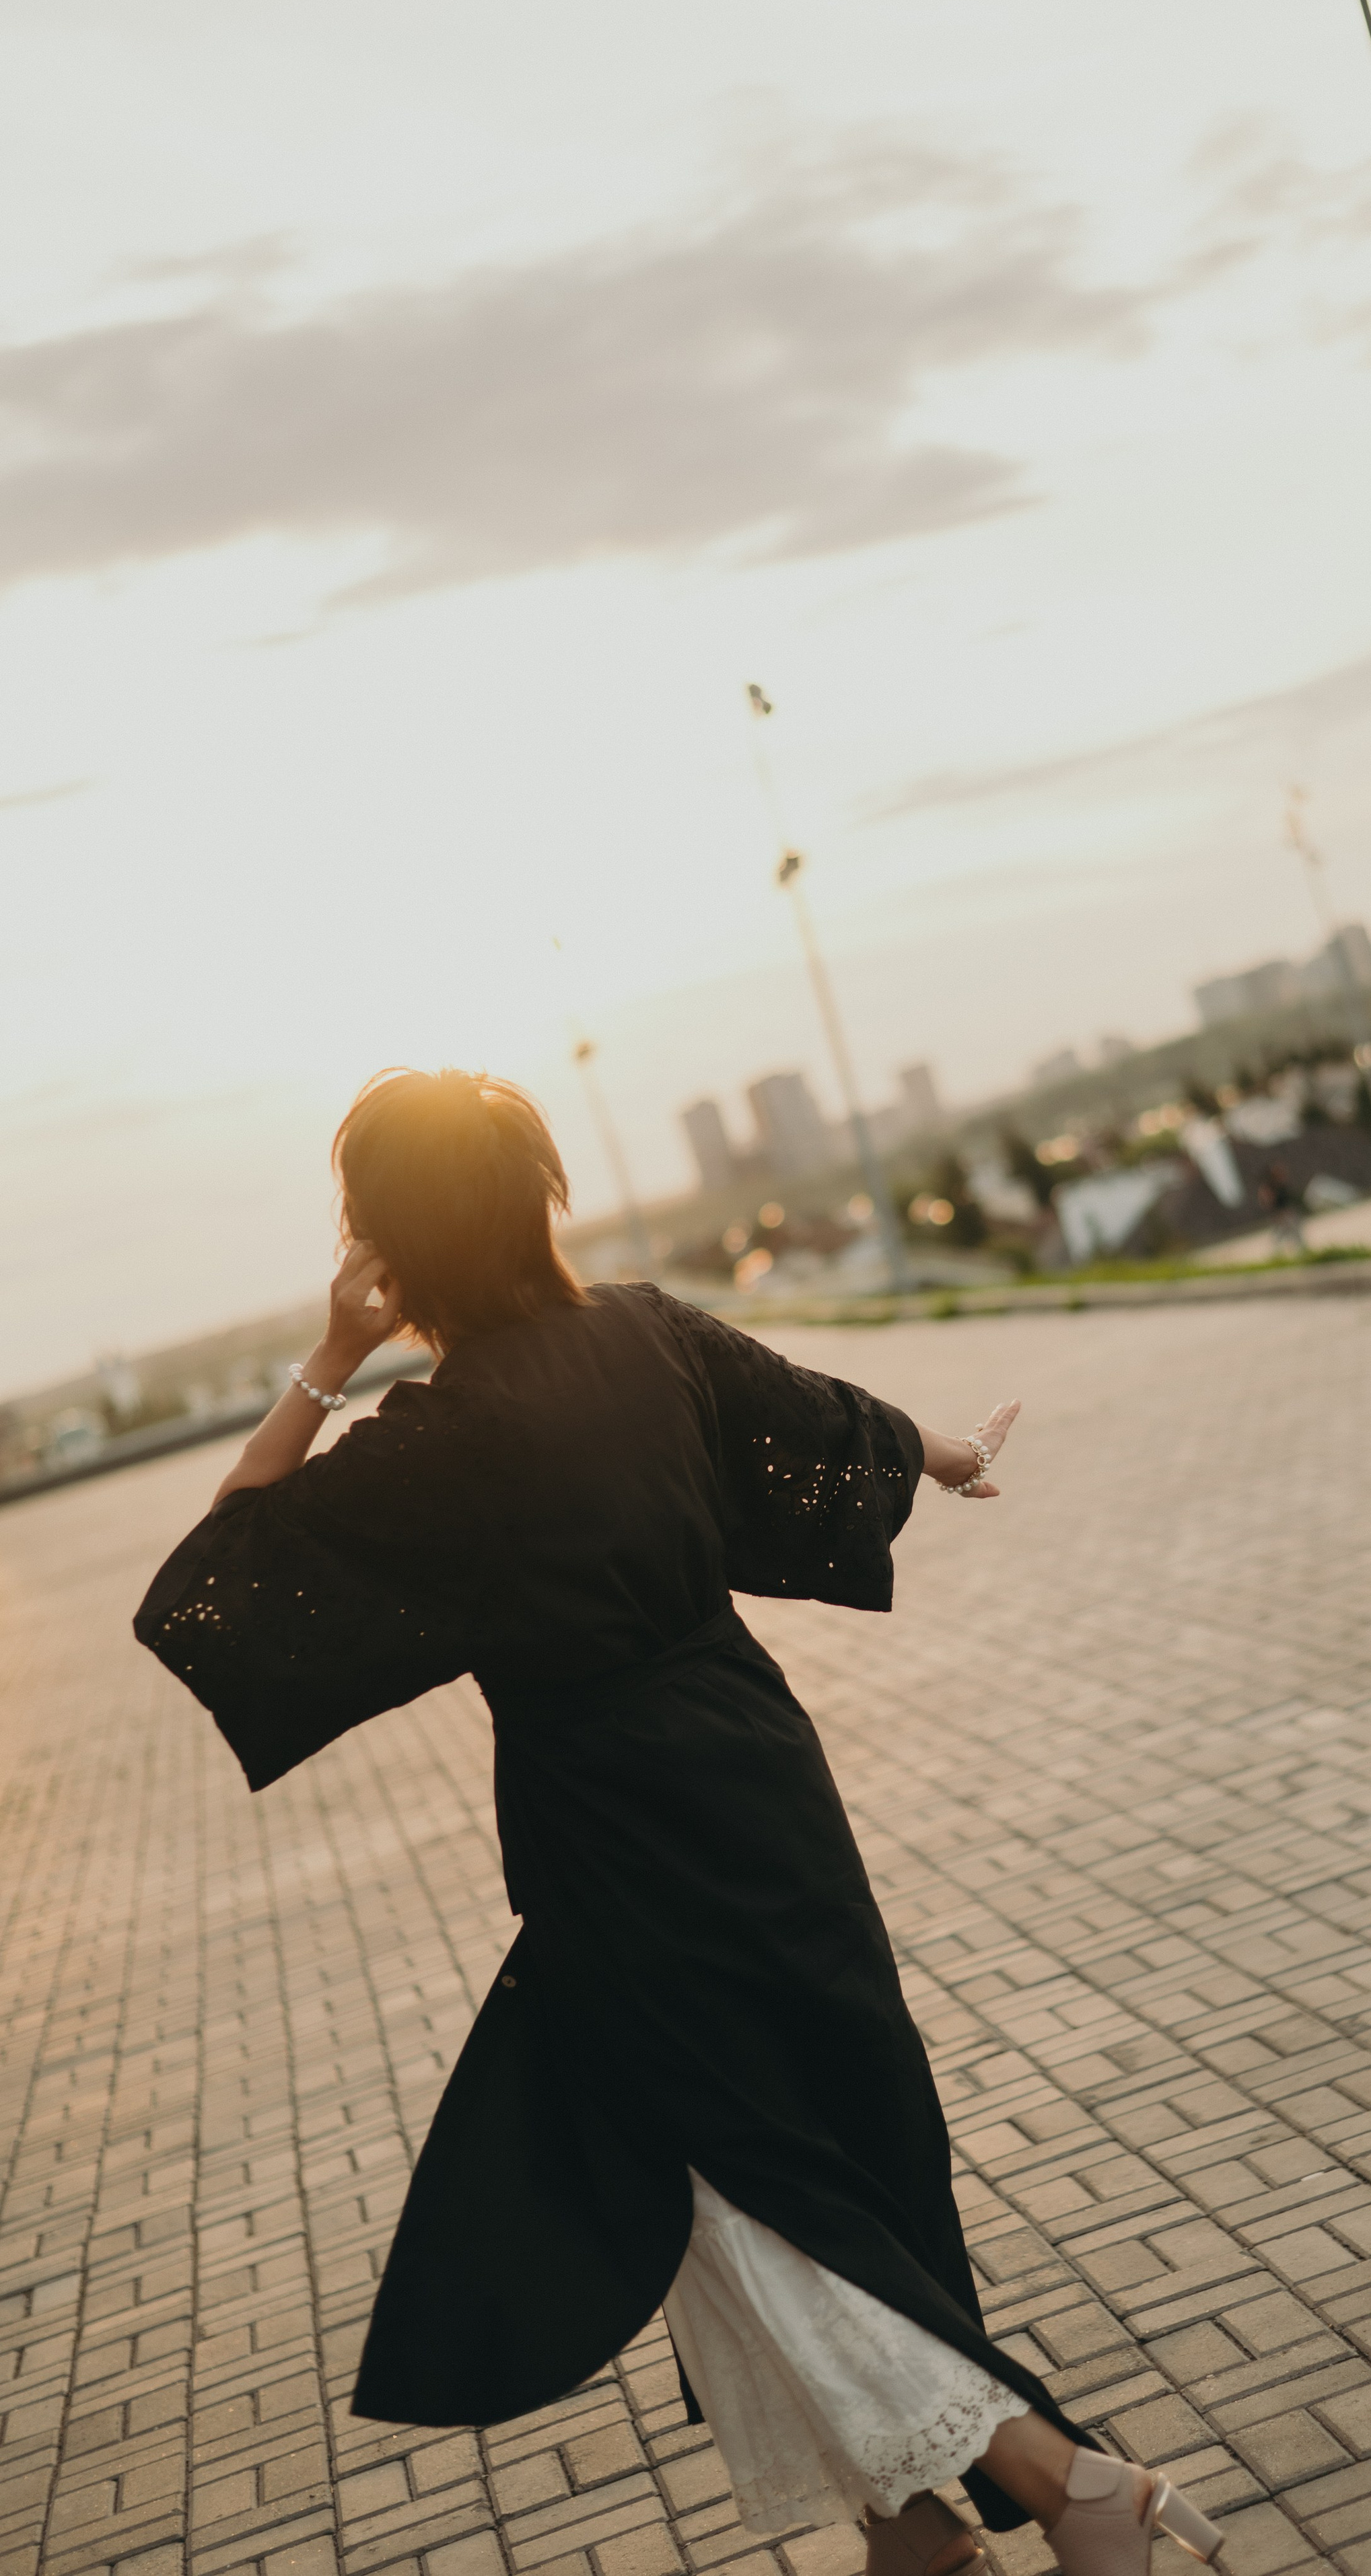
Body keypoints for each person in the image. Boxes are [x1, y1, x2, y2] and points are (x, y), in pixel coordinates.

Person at [136, 1069, 1223, 2576]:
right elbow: (830, 1426)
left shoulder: (432, 1436)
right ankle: (910, 2537)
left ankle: (1065, 2484)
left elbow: (215, 1580)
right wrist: (953, 1456)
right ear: (542, 1196)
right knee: (824, 2134)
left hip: (614, 1820)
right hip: (756, 1772)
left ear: (387, 1243)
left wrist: (329, 1354)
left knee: (728, 2171)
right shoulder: (648, 1330)